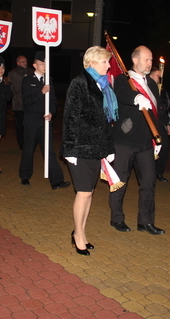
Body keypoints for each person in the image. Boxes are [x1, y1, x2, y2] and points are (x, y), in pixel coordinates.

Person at [63, 46, 117, 256]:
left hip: (95, 147)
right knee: (83, 192)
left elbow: (105, 121)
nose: (108, 65)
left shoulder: (102, 85)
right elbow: (70, 116)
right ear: (92, 62)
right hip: (79, 147)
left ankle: (81, 232)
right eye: (104, 62)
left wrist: (108, 148)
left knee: (90, 193)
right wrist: (70, 148)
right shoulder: (80, 82)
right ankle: (78, 236)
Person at [109, 45, 166, 235]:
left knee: (149, 183)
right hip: (125, 141)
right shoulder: (123, 79)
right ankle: (117, 218)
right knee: (120, 182)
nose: (150, 63)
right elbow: (122, 94)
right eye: (147, 59)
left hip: (145, 143)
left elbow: (156, 113)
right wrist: (136, 97)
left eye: (151, 60)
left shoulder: (151, 84)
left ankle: (146, 221)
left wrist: (157, 140)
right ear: (135, 60)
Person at [19, 51, 71, 190]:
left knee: (49, 151)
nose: (44, 66)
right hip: (31, 120)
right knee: (29, 149)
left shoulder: (49, 81)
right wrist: (40, 92)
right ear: (35, 65)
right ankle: (25, 176)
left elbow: (53, 101)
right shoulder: (28, 80)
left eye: (46, 63)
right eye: (41, 64)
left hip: (45, 121)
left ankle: (56, 181)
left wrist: (51, 113)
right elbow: (27, 102)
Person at [149, 67, 170, 182]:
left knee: (164, 148)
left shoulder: (162, 91)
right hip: (150, 124)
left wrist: (167, 124)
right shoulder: (146, 89)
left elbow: (164, 109)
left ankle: (159, 172)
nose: (159, 78)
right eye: (157, 76)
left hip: (160, 124)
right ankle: (150, 172)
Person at [8, 55, 32, 150]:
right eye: (22, 62)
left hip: (30, 104)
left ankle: (28, 142)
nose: (25, 63)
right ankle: (22, 144)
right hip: (18, 104)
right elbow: (11, 88)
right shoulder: (13, 73)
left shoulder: (31, 72)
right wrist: (16, 97)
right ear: (18, 63)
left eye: (25, 61)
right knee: (20, 126)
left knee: (29, 125)